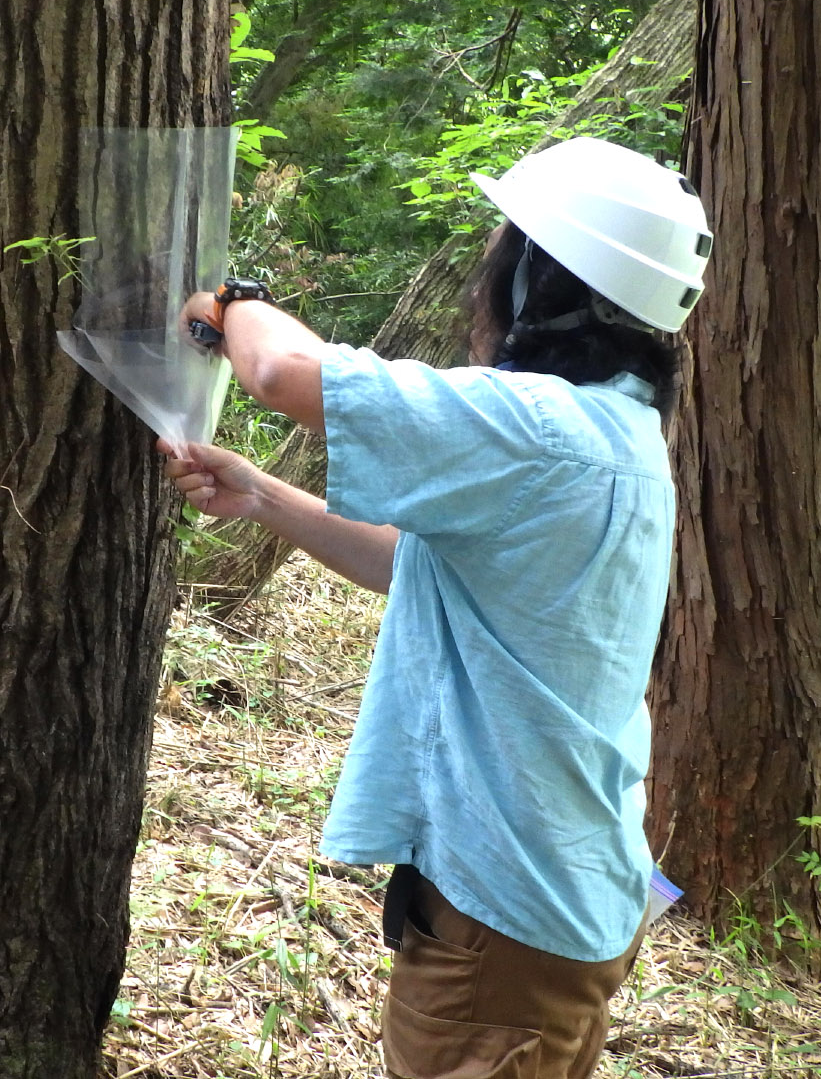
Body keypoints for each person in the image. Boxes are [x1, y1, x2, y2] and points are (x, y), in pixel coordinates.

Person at [161, 136, 713, 1079]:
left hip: (502, 935)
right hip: (558, 900)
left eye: (502, 257)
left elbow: (280, 375)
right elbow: (420, 568)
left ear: (541, 285)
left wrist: (231, 302)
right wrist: (264, 496)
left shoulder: (539, 426)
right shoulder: (614, 434)